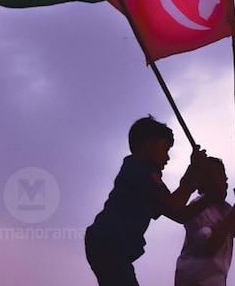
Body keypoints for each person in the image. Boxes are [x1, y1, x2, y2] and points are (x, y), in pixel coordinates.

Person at [85, 115, 212, 286]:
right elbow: (175, 206)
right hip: (109, 244)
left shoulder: (140, 172)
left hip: (107, 245)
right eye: (164, 149)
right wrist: (194, 172)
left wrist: (208, 194)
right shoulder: (141, 169)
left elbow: (180, 214)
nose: (167, 158)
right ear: (147, 144)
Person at [174, 157, 235, 286]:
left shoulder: (226, 209)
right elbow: (210, 247)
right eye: (219, 176)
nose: (225, 181)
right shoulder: (197, 208)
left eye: (224, 176)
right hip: (194, 280)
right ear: (204, 181)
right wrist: (233, 215)